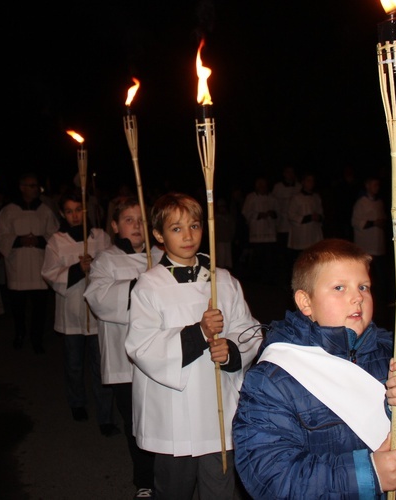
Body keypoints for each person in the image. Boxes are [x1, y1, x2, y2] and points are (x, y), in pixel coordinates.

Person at [233, 238, 396, 499]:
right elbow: (270, 477)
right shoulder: (273, 378)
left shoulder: (392, 356)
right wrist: (369, 474)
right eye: (339, 287)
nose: (357, 297)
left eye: (363, 287)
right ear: (305, 302)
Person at [125, 192, 263, 500]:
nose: (188, 236)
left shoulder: (223, 280)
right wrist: (198, 334)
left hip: (218, 409)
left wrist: (232, 350)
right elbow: (141, 345)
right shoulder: (149, 286)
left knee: (220, 489)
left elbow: (249, 329)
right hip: (175, 412)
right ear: (159, 235)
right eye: (176, 229)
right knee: (174, 490)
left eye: (195, 226)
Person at [83, 197, 164, 499]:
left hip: (159, 354)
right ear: (115, 226)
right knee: (135, 422)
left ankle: (166, 474)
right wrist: (139, 285)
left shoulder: (161, 255)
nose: (137, 226)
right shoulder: (106, 260)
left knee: (160, 417)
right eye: (129, 220)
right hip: (124, 358)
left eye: (141, 220)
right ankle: (144, 480)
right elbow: (99, 300)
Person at [41, 190, 119, 436]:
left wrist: (94, 266)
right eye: (70, 211)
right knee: (74, 365)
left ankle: (105, 416)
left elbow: (113, 267)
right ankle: (77, 402)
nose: (75, 215)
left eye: (79, 210)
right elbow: (50, 274)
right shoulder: (56, 241)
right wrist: (77, 268)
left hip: (97, 315)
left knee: (100, 366)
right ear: (63, 214)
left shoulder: (100, 237)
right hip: (71, 313)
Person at [0, 172, 59, 353]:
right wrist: (18, 240)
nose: (36, 189)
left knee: (39, 308)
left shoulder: (45, 211)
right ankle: (20, 333)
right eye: (31, 185)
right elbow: (0, 235)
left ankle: (36, 338)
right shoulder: (9, 211)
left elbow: (55, 236)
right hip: (18, 266)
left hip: (39, 264)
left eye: (36, 185)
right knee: (18, 306)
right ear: (22, 187)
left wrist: (39, 240)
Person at [352, 174, 391, 311]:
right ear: (367, 185)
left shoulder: (379, 202)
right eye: (374, 184)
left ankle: (381, 300)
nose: (376, 187)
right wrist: (373, 223)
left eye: (378, 185)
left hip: (378, 243)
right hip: (366, 245)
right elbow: (356, 222)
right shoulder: (361, 202)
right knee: (366, 275)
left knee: (381, 274)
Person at [242, 176, 279, 284]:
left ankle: (268, 278)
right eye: (260, 185)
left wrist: (272, 213)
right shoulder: (251, 197)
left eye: (264, 185)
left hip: (270, 231)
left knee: (269, 257)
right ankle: (256, 279)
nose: (262, 187)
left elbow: (278, 211)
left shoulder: (272, 198)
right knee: (257, 257)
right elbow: (246, 212)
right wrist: (258, 215)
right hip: (256, 231)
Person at [286, 171, 324, 262]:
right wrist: (308, 218)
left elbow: (321, 213)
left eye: (312, 181)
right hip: (301, 235)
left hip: (313, 234)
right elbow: (291, 215)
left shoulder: (316, 197)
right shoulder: (296, 198)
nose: (311, 183)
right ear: (303, 182)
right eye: (308, 180)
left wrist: (318, 217)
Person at [272, 166, 301, 276]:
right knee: (284, 253)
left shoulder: (298, 186)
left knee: (295, 252)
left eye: (292, 172)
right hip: (282, 224)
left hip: (296, 226)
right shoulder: (278, 187)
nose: (290, 175)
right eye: (288, 172)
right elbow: (274, 204)